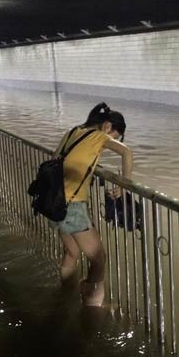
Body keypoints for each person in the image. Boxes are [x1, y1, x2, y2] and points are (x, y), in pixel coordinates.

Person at [50, 102, 133, 307]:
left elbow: (56, 159)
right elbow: (127, 153)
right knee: (98, 258)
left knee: (71, 252)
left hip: (53, 201)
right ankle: (92, 306)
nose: (110, 141)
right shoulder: (99, 136)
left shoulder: (73, 132)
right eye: (114, 137)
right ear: (107, 126)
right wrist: (123, 186)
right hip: (72, 205)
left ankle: (66, 294)